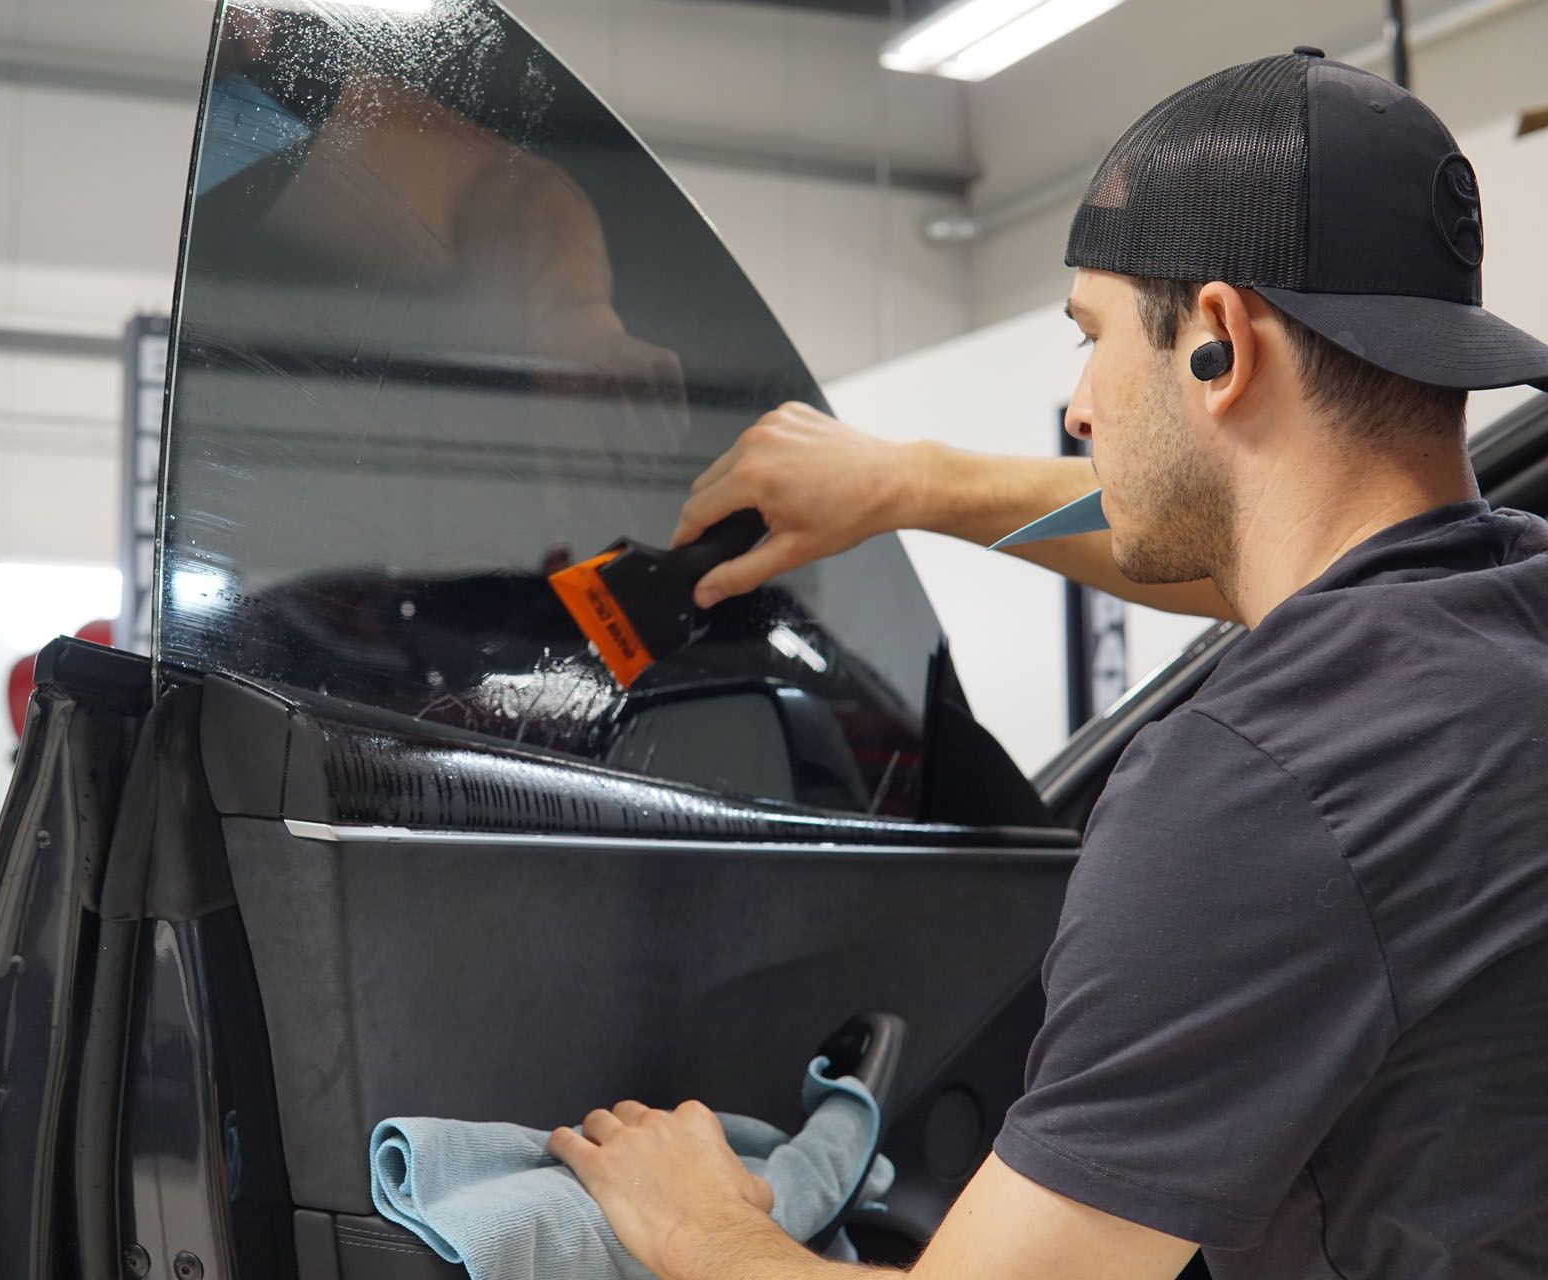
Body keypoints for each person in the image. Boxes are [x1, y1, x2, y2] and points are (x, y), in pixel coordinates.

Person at [548, 48, 1548, 1280]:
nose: (1079, 404)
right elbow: (1259, 546)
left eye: (1091, 334)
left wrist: (696, 1219)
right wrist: (916, 482)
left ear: (1221, 344)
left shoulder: (1267, 790)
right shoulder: (1502, 626)